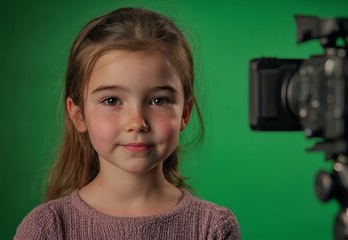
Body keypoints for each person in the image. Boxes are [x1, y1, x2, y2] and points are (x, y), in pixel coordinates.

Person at [14, 7, 241, 240]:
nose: (137, 123)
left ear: (185, 113)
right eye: (111, 100)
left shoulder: (213, 227)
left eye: (158, 100)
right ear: (78, 115)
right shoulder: (48, 228)